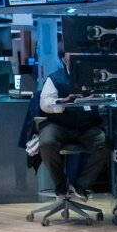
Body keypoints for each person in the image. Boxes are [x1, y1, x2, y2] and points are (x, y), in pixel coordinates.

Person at [38, 51, 109, 201]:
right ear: (65, 61)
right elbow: (44, 105)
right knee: (46, 143)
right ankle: (60, 185)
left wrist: (97, 99)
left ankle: (80, 185)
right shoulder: (55, 78)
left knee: (104, 144)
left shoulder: (94, 76)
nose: (77, 63)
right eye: (72, 60)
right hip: (59, 124)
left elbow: (106, 99)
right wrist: (64, 101)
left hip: (87, 126)